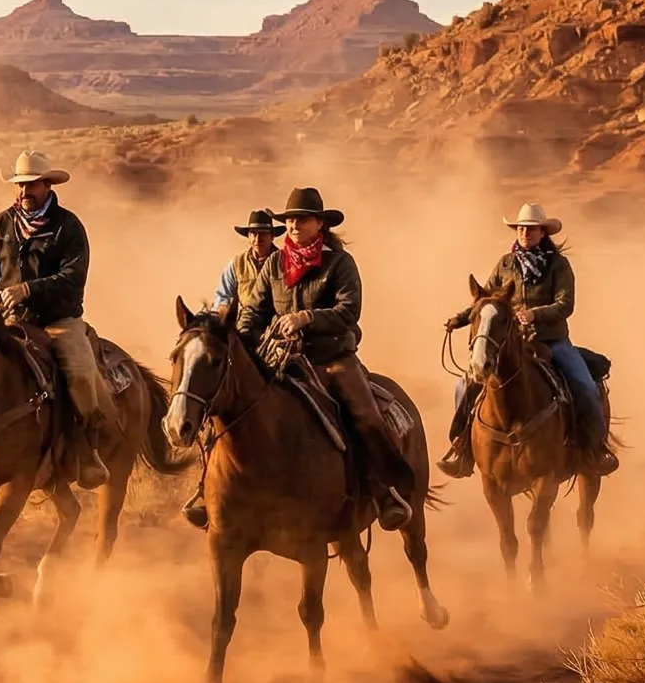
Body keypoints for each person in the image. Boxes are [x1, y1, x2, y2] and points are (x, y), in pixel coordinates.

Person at [238, 186, 414, 531]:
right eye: (289, 220)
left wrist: (307, 318)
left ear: (320, 223)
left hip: (332, 357)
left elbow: (349, 310)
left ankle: (384, 491)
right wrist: (240, 339)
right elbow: (254, 311)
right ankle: (219, 491)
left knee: (365, 415)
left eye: (301, 220)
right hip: (281, 357)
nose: (293, 226)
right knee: (237, 402)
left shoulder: (339, 263)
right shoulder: (275, 263)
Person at [0, 150, 113, 489]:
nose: (24, 192)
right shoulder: (2, 224)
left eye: (31, 185)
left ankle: (87, 449)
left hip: (59, 320)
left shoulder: (69, 226)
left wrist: (27, 290)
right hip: (11, 319)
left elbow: (73, 276)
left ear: (48, 185)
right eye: (20, 185)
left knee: (77, 373)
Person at [439, 202, 617, 479]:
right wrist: (461, 319)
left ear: (543, 232)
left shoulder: (558, 265)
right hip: (509, 343)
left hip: (552, 341)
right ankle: (463, 448)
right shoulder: (505, 264)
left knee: (583, 384)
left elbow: (565, 304)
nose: (525, 232)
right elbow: (487, 300)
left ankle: (595, 449)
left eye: (531, 229)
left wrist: (534, 315)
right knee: (463, 385)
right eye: (521, 228)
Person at [182, 209, 283, 528]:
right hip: (239, 338)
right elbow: (222, 298)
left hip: (275, 337)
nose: (258, 238)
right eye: (253, 233)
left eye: (263, 233)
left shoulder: (282, 263)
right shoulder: (235, 265)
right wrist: (224, 316)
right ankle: (206, 486)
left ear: (272, 236)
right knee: (214, 407)